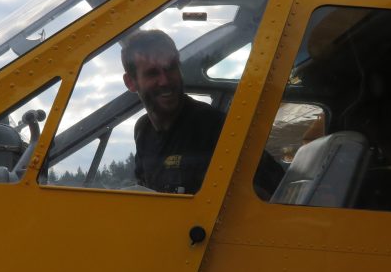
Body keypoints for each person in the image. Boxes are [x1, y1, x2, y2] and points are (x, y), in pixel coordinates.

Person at [121, 29, 283, 195]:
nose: (165, 80)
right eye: (152, 73)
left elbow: (276, 189)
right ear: (131, 82)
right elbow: (144, 189)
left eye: (170, 68)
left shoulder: (214, 126)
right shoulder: (143, 130)